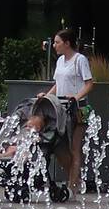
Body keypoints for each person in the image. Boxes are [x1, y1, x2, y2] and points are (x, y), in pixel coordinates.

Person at [36, 28, 92, 193]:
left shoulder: (80, 60)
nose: (54, 45)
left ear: (67, 43)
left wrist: (76, 96)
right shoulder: (60, 61)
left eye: (57, 42)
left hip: (78, 108)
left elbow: (89, 84)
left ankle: (72, 187)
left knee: (74, 147)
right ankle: (76, 180)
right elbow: (57, 84)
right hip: (60, 107)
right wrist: (45, 97)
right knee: (60, 147)